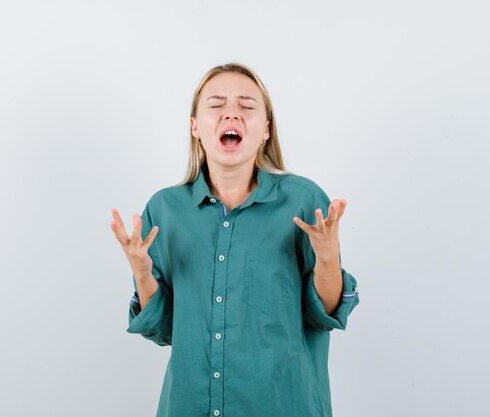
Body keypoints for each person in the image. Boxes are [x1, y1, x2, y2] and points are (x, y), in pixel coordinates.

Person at [110, 62, 360, 417]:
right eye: (216, 105)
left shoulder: (304, 202)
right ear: (195, 126)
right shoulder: (164, 210)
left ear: (266, 130)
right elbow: (165, 330)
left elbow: (326, 315)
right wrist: (142, 273)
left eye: (246, 106)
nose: (232, 114)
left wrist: (327, 259)